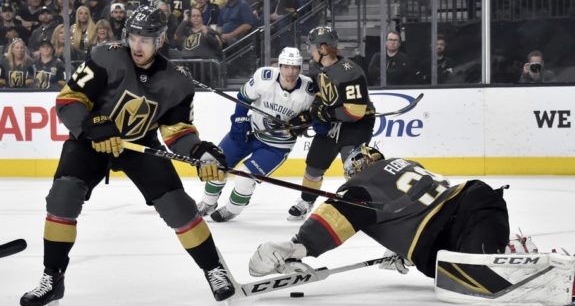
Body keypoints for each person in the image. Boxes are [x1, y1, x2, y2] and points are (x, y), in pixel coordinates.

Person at [19, 4, 235, 306]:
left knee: (178, 206)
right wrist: (91, 125)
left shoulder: (177, 82)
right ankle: (52, 278)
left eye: (146, 39)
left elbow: (178, 131)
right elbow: (69, 100)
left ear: (159, 40)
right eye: (134, 36)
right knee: (62, 198)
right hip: (91, 142)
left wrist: (199, 152)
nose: (138, 45)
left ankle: (214, 269)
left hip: (138, 146)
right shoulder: (107, 56)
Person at [249, 145, 518, 283]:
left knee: (478, 279)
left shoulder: (362, 187)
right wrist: (402, 247)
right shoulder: (404, 165)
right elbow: (416, 203)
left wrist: (297, 246)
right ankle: (511, 252)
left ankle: (504, 257)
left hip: (445, 233)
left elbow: (335, 217)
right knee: (476, 269)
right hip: (477, 200)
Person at [196, 47, 316, 222]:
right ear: (279, 66)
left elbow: (318, 115)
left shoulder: (309, 91)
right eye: (287, 67)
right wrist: (239, 120)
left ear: (300, 68)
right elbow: (243, 98)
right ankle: (207, 203)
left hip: (277, 146)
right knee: (218, 164)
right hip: (251, 131)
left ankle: (232, 209)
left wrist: (306, 121)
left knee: (245, 178)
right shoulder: (264, 76)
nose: (291, 72)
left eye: (295, 67)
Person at [287, 26, 375, 220]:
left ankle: (364, 203)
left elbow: (355, 111)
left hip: (357, 124)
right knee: (314, 165)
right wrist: (308, 117)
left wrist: (325, 114)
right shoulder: (317, 67)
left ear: (324, 48)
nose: (309, 50)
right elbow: (321, 96)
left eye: (312, 46)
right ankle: (307, 200)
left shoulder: (350, 72)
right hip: (334, 122)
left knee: (353, 163)